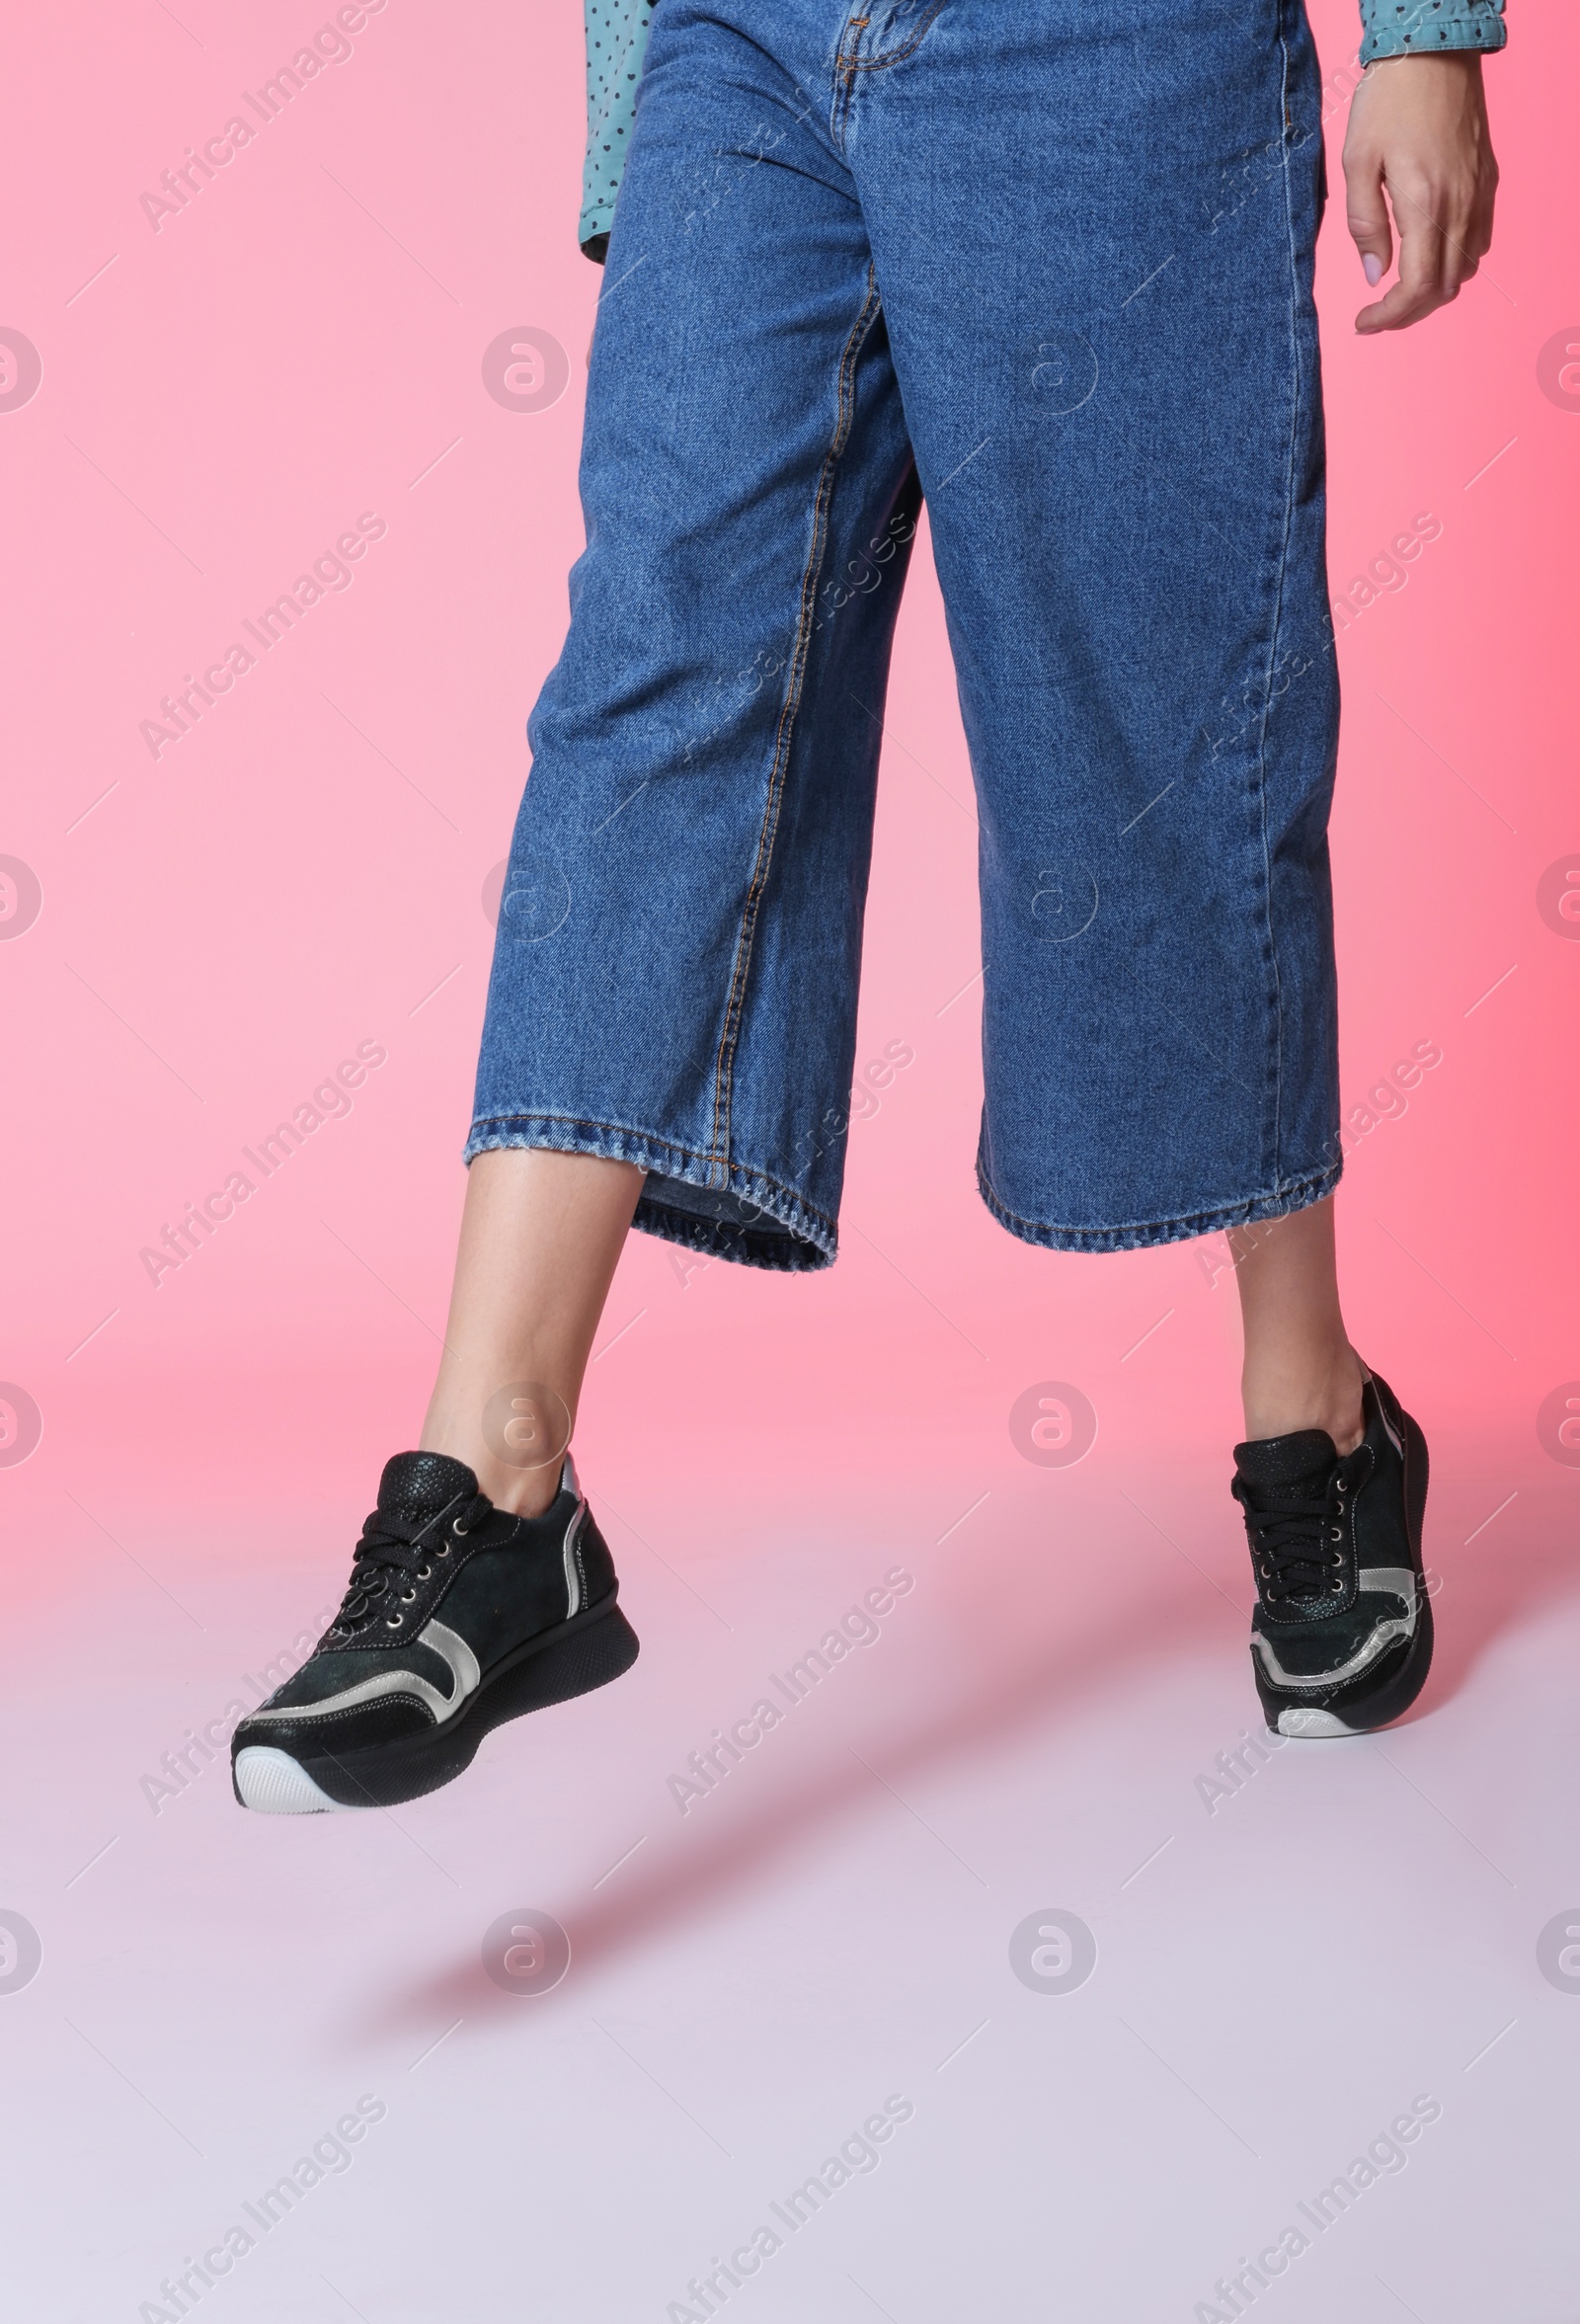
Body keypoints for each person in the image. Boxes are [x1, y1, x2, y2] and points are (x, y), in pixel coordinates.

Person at [230, 0, 1505, 1813]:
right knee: (656, 673)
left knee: (1159, 713)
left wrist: (1428, 28)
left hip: (1114, 49)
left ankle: (1317, 1409)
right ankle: (493, 1488)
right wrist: (630, 117)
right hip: (740, 42)